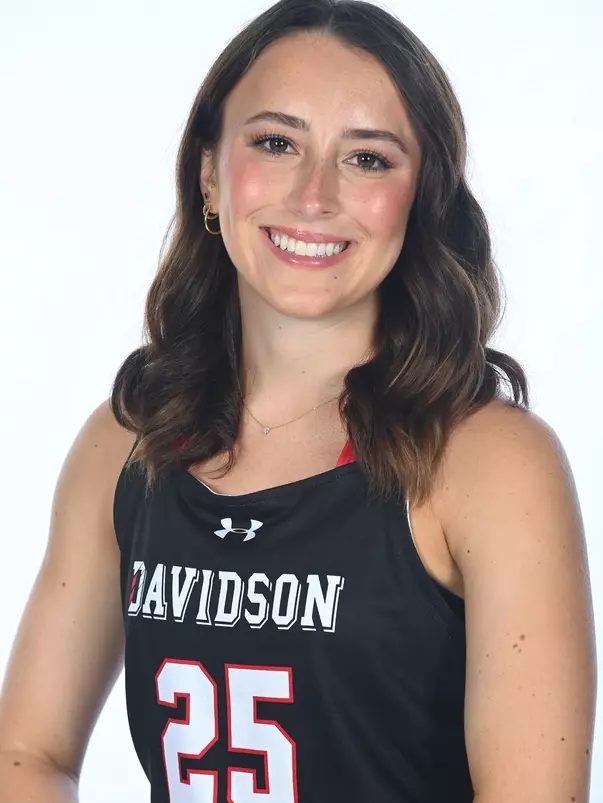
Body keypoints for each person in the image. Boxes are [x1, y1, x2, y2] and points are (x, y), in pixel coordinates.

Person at [0, 0, 596, 801]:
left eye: (368, 159)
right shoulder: (127, 443)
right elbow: (27, 751)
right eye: (275, 143)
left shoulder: (489, 461)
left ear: (420, 197)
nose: (314, 195)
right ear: (210, 173)